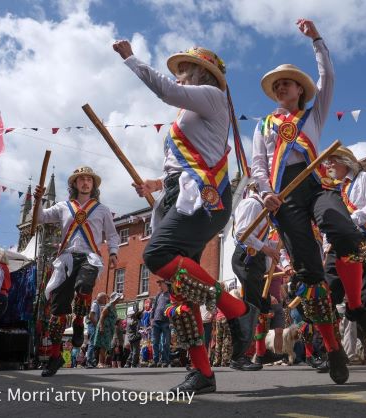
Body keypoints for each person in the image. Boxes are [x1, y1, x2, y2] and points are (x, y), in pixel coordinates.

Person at [113, 37, 257, 394]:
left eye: (183, 72)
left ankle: (238, 309)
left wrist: (131, 60)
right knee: (183, 297)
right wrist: (156, 182)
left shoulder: (211, 96)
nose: (177, 78)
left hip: (203, 200)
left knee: (156, 254)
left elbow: (164, 92)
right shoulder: (191, 113)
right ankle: (202, 373)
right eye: (177, 72)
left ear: (200, 73)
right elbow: (190, 162)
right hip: (185, 195)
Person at [251, 19, 366, 385]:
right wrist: (266, 193)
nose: (281, 88)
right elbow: (257, 164)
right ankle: (333, 348)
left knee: (344, 232)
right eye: (276, 85)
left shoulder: (313, 113)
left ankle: (355, 307)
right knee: (309, 275)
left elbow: (329, 77)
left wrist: (317, 40)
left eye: (287, 83)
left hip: (316, 184)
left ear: (299, 89)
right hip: (283, 196)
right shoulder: (262, 126)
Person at [33, 166, 120, 377]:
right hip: (66, 259)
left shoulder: (102, 210)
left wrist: (114, 253)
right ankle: (54, 357)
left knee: (84, 287)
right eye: (81, 179)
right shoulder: (63, 206)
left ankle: (79, 321)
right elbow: (40, 218)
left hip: (90, 257)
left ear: (93, 185)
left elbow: (113, 234)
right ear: (74, 184)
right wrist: (38, 199)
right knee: (57, 311)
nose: (85, 182)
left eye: (89, 179)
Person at [322, 146, 366, 374]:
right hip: (335, 246)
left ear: (344, 161)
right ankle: (333, 352)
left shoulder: (363, 178)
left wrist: (347, 220)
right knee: (328, 295)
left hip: (362, 239)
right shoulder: (330, 189)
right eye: (327, 162)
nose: (328, 166)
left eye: (332, 161)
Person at [231, 183, 285, 369]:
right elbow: (241, 233)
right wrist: (268, 250)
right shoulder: (252, 204)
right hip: (247, 258)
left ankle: (260, 353)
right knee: (252, 306)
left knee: (262, 306)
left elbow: (260, 239)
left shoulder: (261, 209)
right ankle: (241, 355)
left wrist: (272, 252)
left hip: (255, 260)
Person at [93, 292, 123, 368]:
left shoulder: (114, 307)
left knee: (106, 345)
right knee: (103, 345)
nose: (119, 299)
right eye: (118, 298)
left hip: (109, 329)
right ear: (115, 299)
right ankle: (100, 363)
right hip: (105, 327)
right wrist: (101, 327)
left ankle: (102, 362)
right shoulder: (109, 306)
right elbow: (102, 316)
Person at [150, 280, 171, 368]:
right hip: (156, 321)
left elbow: (173, 307)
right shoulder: (158, 295)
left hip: (166, 322)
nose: (159, 285)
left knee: (165, 342)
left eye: (160, 283)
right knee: (155, 342)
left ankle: (165, 361)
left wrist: (172, 321)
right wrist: (151, 318)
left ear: (165, 284)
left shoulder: (171, 295)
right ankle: (155, 361)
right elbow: (154, 307)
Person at [86, 292, 107, 368]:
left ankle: (92, 361)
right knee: (92, 343)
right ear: (101, 298)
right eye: (105, 298)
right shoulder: (95, 304)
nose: (106, 300)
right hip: (93, 326)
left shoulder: (98, 305)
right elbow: (91, 316)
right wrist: (97, 325)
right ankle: (89, 361)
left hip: (94, 325)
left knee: (95, 344)